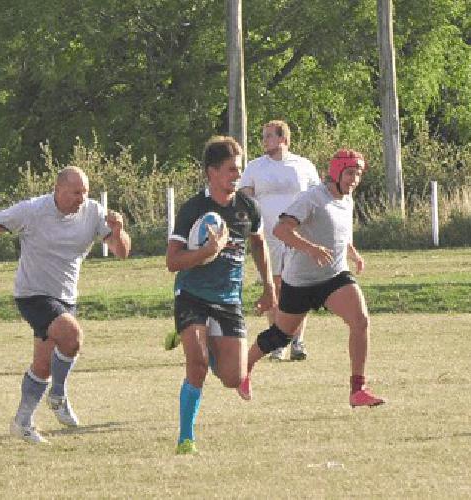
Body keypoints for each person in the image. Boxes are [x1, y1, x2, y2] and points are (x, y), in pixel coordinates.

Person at [0, 166, 132, 445]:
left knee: (43, 365)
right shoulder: (33, 210)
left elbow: (122, 253)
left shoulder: (94, 212)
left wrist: (119, 231)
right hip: (33, 294)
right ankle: (58, 396)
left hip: (65, 297)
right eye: (75, 192)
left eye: (85, 192)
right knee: (72, 337)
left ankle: (22, 422)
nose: (81, 198)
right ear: (58, 189)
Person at [237, 148, 385, 408]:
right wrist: (311, 249)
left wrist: (353, 253)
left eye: (358, 174)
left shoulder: (347, 200)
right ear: (337, 172)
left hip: (334, 276)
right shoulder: (312, 198)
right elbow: (281, 229)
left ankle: (358, 389)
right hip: (301, 281)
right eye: (350, 173)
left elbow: (338, 234)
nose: (354, 180)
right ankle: (243, 370)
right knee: (280, 336)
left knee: (360, 321)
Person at [165, 136, 276, 455]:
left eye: (239, 169)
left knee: (233, 377)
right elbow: (172, 262)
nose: (236, 176)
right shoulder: (194, 209)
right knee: (196, 365)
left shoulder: (247, 207)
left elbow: (258, 243)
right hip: (192, 295)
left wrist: (269, 285)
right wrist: (206, 252)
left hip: (228, 300)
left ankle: (204, 343)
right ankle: (186, 438)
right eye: (230, 170)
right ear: (211, 172)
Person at [238, 120, 322, 361]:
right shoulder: (255, 167)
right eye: (263, 136)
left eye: (268, 136)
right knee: (274, 286)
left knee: (299, 286)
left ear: (283, 139)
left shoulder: (303, 166)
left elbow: (316, 198)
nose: (264, 141)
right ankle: (277, 342)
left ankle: (297, 341)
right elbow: (245, 199)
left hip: (298, 235)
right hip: (268, 237)